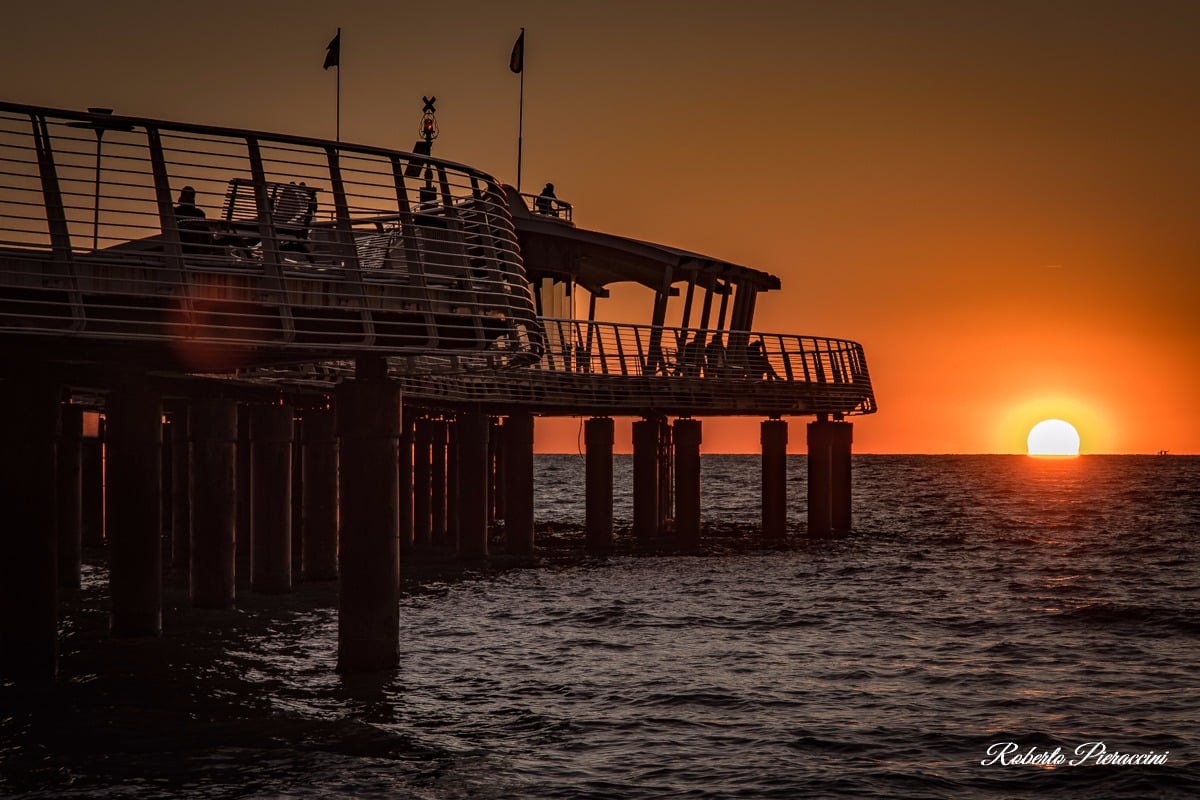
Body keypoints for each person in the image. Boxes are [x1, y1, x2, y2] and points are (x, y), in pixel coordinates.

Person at [173, 185, 211, 254]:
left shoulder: (199, 213)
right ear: (181, 197)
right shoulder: (175, 212)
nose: (188, 197)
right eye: (185, 194)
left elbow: (205, 233)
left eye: (191, 195)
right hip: (181, 246)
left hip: (197, 248)